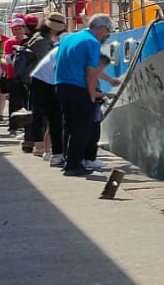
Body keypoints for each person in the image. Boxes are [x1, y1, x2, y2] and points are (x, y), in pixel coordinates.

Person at [54, 15, 118, 176]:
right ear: (101, 28)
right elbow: (91, 72)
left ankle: (68, 161)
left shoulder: (69, 38)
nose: (106, 36)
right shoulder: (91, 42)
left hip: (61, 85)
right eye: (107, 33)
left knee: (69, 126)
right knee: (82, 128)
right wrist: (92, 95)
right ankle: (74, 165)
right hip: (79, 88)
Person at [26, 14, 67, 159]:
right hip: (43, 80)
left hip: (38, 78)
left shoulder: (40, 38)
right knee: (46, 115)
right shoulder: (42, 41)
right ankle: (41, 146)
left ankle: (43, 146)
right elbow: (49, 62)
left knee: (43, 115)